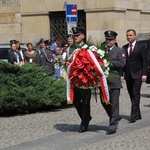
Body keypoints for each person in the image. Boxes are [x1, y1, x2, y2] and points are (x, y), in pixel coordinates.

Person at [100, 30, 126, 135]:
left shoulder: (120, 51)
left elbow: (121, 63)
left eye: (110, 39)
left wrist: (108, 63)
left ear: (115, 40)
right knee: (104, 102)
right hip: (103, 82)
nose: (108, 41)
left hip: (114, 81)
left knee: (114, 104)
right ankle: (114, 116)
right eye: (107, 39)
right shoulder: (102, 51)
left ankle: (112, 126)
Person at [67, 27, 92, 133]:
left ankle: (84, 124)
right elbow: (68, 62)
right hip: (75, 79)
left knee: (86, 102)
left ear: (83, 36)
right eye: (74, 36)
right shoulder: (71, 48)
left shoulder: (89, 48)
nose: (75, 37)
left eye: (77, 35)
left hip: (86, 79)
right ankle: (86, 117)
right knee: (76, 101)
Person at [122, 29, 147, 123]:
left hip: (138, 74)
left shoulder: (141, 47)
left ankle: (133, 115)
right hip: (128, 75)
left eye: (131, 35)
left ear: (135, 36)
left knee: (135, 94)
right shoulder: (124, 47)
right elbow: (123, 62)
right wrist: (122, 74)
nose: (129, 37)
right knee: (131, 94)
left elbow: (144, 61)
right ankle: (138, 113)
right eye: (127, 35)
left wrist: (144, 74)